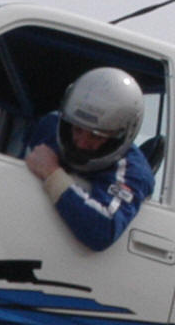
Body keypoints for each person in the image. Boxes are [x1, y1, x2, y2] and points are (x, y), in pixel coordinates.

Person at [22, 66, 155, 253]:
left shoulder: (134, 171)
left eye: (96, 136)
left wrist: (52, 173)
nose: (82, 143)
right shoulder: (50, 127)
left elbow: (103, 229)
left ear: (119, 136)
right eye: (77, 129)